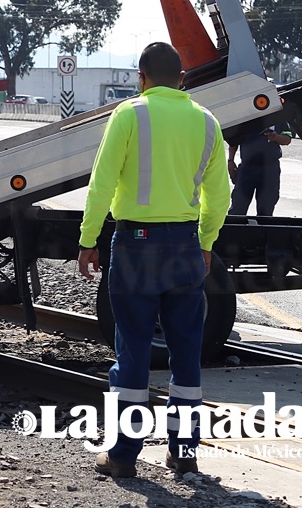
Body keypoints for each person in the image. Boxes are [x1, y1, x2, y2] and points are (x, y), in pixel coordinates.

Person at [77, 42, 229, 478]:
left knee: (134, 351)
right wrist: (205, 242)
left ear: (140, 78)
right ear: (182, 79)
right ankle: (184, 452)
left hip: (135, 247)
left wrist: (88, 239)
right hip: (184, 245)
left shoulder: (129, 114)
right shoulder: (207, 121)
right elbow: (220, 195)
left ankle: (125, 455)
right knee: (186, 353)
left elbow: (101, 184)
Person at [228, 124, 291, 216]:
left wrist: (276, 137)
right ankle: (235, 229)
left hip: (270, 168)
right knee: (238, 206)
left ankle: (263, 229)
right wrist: (230, 160)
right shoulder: (248, 117)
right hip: (248, 167)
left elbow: (287, 139)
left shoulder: (278, 116)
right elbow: (234, 141)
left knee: (266, 209)